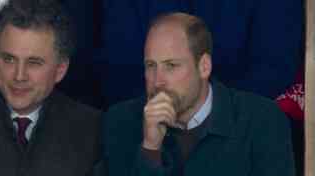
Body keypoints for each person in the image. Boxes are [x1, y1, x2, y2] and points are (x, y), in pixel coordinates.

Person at [103, 13, 296, 176]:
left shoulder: (263, 121)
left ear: (204, 66)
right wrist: (150, 149)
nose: (157, 81)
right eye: (151, 65)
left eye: (171, 65)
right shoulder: (121, 122)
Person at [0, 1, 106, 176]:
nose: (19, 75)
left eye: (34, 62)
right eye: (8, 59)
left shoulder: (95, 131)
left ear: (60, 69)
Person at [96, 0, 303, 107]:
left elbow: (272, 66)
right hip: (147, 121)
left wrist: (203, 115)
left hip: (238, 126)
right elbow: (119, 70)